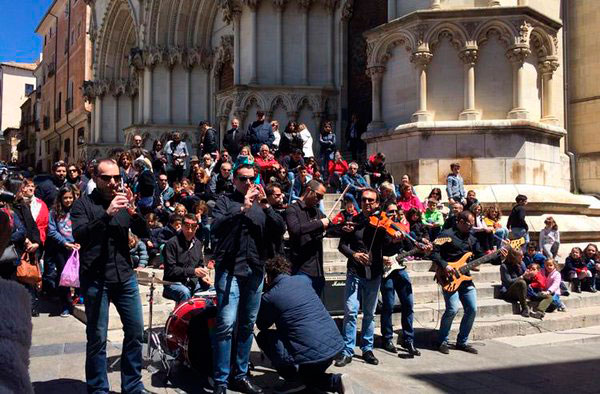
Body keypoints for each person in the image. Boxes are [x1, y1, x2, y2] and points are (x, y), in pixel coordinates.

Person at [71, 158, 151, 394]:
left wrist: (135, 214)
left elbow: (146, 232)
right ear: (95, 178)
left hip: (125, 276)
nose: (113, 182)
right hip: (97, 278)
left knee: (136, 332)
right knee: (97, 337)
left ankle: (132, 385)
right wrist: (107, 214)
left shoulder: (124, 203)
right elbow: (81, 235)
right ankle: (98, 389)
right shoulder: (83, 205)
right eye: (106, 178)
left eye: (116, 177)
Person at [211, 163, 283, 394]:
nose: (248, 183)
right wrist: (242, 208)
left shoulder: (262, 206)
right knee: (225, 325)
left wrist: (267, 207)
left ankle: (240, 375)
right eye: (242, 178)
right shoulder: (225, 201)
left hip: (255, 270)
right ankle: (221, 380)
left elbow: (279, 229)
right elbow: (215, 227)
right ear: (234, 180)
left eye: (252, 179)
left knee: (246, 325)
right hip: (230, 269)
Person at [256, 256, 347, 394]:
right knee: (310, 377)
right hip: (334, 348)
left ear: (268, 276)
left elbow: (262, 324)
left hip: (312, 354)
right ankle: (335, 381)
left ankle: (293, 380)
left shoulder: (270, 296)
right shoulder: (304, 280)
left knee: (264, 337)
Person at [335, 188, 402, 367]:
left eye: (371, 200)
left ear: (377, 203)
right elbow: (342, 246)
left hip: (374, 274)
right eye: (364, 200)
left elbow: (388, 246)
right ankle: (348, 351)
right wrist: (354, 255)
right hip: (355, 273)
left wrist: (396, 238)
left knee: (370, 314)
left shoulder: (383, 223)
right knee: (350, 312)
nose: (367, 203)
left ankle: (367, 349)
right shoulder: (353, 222)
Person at [431, 211, 505, 355]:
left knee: (472, 309)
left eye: (472, 223)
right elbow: (434, 252)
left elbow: (482, 257)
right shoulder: (446, 234)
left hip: (465, 277)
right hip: (448, 276)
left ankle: (462, 342)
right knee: (452, 309)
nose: (471, 226)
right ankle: (442, 340)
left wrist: (499, 257)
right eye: (469, 223)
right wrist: (445, 265)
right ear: (460, 221)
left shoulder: (472, 238)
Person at [379, 202, 427, 357]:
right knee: (388, 305)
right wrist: (385, 253)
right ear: (384, 213)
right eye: (390, 212)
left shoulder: (401, 228)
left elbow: (410, 247)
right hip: (386, 269)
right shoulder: (380, 229)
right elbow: (374, 248)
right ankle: (387, 339)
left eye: (395, 211)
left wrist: (422, 249)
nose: (393, 214)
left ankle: (409, 340)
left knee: (408, 303)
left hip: (399, 268)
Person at [285, 179, 330, 296]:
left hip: (318, 270)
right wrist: (319, 224)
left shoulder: (316, 212)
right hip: (301, 269)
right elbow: (295, 229)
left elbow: (331, 227)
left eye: (322, 198)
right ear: (309, 191)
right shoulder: (292, 209)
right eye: (318, 196)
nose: (320, 200)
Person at [46, 185, 81, 317]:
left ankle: (78, 299)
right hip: (62, 248)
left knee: (79, 274)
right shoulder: (54, 212)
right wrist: (64, 243)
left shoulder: (77, 210)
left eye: (70, 197)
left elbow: (83, 226)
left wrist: (79, 242)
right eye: (65, 198)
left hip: (77, 247)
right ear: (60, 198)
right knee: (63, 277)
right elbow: (52, 230)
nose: (68, 200)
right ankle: (65, 304)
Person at [162, 213, 212, 303]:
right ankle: (183, 317)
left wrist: (204, 275)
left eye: (193, 227)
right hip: (173, 282)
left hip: (192, 281)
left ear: (197, 227)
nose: (189, 230)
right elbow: (171, 270)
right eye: (187, 226)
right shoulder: (172, 243)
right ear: (181, 226)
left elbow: (200, 264)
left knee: (211, 292)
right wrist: (193, 271)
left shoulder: (198, 244)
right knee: (185, 292)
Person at [498, 248, 539, 318]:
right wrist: (522, 276)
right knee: (521, 282)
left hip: (522, 291)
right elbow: (508, 281)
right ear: (514, 257)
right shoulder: (504, 266)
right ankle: (524, 308)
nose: (523, 257)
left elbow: (526, 278)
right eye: (521, 256)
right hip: (509, 291)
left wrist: (529, 276)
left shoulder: (521, 263)